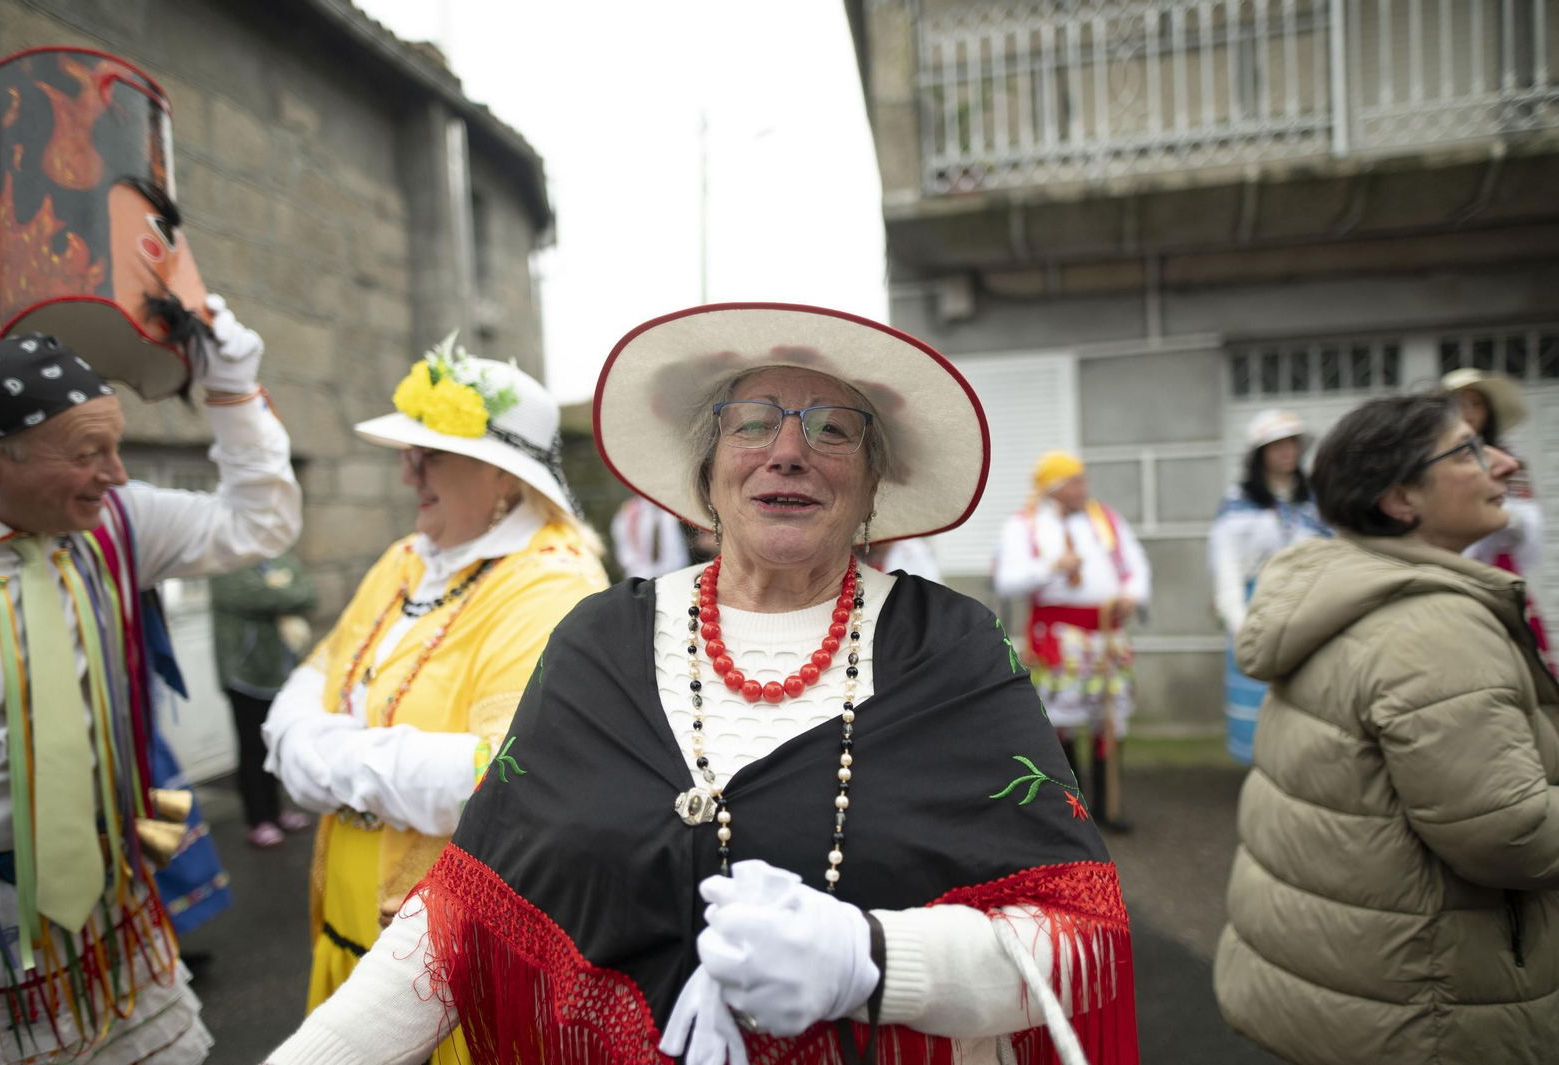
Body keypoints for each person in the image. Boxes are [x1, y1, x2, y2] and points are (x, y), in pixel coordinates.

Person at [267, 303, 1137, 1065]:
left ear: (875, 483)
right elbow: (466, 912)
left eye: (833, 429)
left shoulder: (952, 650)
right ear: (707, 469)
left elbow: (1082, 936)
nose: (789, 451)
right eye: (752, 422)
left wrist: (875, 958)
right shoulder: (596, 641)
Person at [0, 307, 299, 1063]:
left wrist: (234, 392)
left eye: (117, 448)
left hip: (117, 909)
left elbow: (260, 525)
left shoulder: (116, 521)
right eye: (91, 453)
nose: (117, 474)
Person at [261, 333, 608, 1062]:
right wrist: (299, 732)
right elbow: (320, 668)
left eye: (429, 453)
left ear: (503, 475)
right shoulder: (409, 556)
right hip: (352, 936)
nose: (405, 471)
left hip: (447, 971)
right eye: (406, 451)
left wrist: (313, 754)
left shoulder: (552, 584)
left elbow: (504, 777)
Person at [1215, 392, 1559, 1065]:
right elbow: (1508, 831)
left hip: (1347, 985)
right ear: (1401, 499)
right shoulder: (1432, 630)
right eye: (1468, 450)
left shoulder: (1338, 583)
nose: (1505, 461)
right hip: (1424, 1005)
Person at [994, 451, 1151, 830]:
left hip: (1107, 636)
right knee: (1061, 723)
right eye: (1075, 481)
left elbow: (1136, 564)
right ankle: (1069, 811)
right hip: (1060, 639)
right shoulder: (1024, 525)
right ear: (1055, 487)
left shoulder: (1105, 518)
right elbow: (1006, 581)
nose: (1084, 488)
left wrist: (1132, 593)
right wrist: (1052, 568)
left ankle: (1107, 805)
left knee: (1107, 720)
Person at [1207, 410, 1328, 764]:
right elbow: (1226, 563)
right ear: (1260, 454)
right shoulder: (1237, 501)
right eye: (1277, 445)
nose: (1287, 451)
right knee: (1259, 692)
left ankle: (1304, 765)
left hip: (1311, 605)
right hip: (1257, 607)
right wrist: (1238, 621)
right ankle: (1263, 768)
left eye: (1292, 443)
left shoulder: (1314, 500)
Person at [209, 551, 319, 847]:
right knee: (252, 748)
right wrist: (285, 591)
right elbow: (255, 598)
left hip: (280, 670)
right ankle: (257, 820)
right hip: (246, 672)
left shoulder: (280, 559)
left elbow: (309, 592)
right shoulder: (226, 563)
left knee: (274, 744)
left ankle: (276, 810)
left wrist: (282, 591)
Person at [1443, 368, 1551, 662]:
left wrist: (1503, 517)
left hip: (1495, 568)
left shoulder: (1508, 462)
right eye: (1460, 403)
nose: (1468, 412)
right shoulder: (1432, 459)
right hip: (1447, 567)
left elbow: (1526, 525)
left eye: (1476, 404)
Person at [612, 492, 692, 578]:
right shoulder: (629, 513)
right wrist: (634, 567)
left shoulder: (674, 508)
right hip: (641, 575)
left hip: (676, 571)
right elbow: (623, 547)